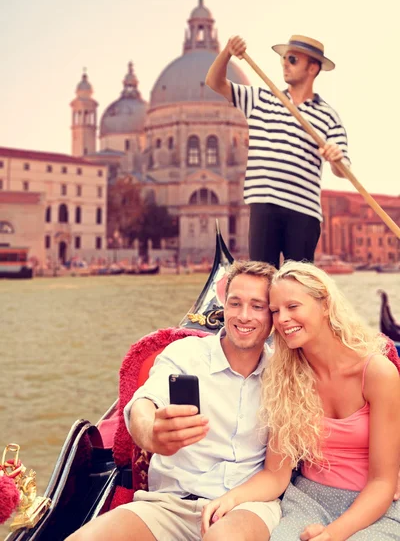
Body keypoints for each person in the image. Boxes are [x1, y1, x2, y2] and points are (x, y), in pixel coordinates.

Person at [66, 260, 282, 541]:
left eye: (257, 306)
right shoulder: (185, 353)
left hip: (247, 506)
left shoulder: (283, 375)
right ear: (223, 306)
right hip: (170, 505)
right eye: (235, 303)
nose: (243, 316)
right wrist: (150, 433)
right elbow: (143, 403)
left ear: (273, 315)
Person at [202, 261, 400, 540]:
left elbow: (382, 482)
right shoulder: (284, 378)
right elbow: (276, 475)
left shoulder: (377, 373)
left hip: (374, 506)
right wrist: (231, 499)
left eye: (293, 307)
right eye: (275, 311)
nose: (282, 319)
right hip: (308, 502)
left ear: (325, 305)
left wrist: (331, 535)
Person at [206, 35, 351, 268]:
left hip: (304, 210)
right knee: (263, 278)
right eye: (284, 58)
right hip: (263, 204)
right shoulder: (260, 99)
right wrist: (227, 53)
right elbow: (214, 82)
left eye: (292, 59)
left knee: (298, 283)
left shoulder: (328, 116)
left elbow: (343, 170)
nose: (285, 63)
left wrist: (336, 158)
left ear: (312, 68)